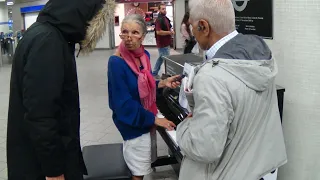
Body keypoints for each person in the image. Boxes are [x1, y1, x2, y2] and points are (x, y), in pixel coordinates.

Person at [176, 0, 287, 180]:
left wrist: (184, 127)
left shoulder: (212, 76)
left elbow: (204, 149)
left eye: (192, 27)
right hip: (253, 168)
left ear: (203, 26)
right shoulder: (260, 57)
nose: (192, 33)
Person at [6, 0, 116, 179]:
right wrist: (54, 171)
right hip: (42, 166)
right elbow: (41, 115)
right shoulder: (48, 41)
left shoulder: (48, 35)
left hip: (40, 156)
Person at [107, 14, 179, 180]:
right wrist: (154, 119)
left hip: (145, 116)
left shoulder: (143, 55)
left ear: (143, 36)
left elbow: (143, 85)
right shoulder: (116, 62)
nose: (129, 38)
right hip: (133, 123)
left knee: (146, 163)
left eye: (135, 32)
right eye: (125, 32)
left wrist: (162, 83)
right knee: (138, 173)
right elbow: (123, 104)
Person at [152, 3, 174, 78]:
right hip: (162, 44)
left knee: (161, 58)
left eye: (165, 8)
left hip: (166, 42)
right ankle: (161, 74)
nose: (164, 10)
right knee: (165, 59)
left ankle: (155, 73)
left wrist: (171, 31)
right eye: (162, 9)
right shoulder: (159, 20)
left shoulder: (165, 18)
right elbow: (158, 32)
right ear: (159, 10)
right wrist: (169, 32)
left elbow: (169, 27)